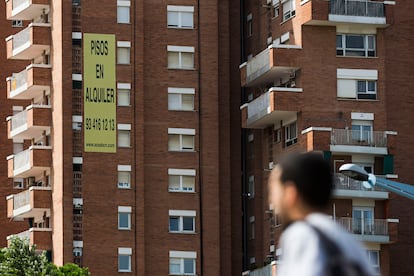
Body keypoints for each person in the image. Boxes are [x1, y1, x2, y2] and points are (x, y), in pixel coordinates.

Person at [268, 151, 375, 276]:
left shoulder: (301, 234)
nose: (271, 199)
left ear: (290, 193)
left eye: (273, 191)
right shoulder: (349, 241)